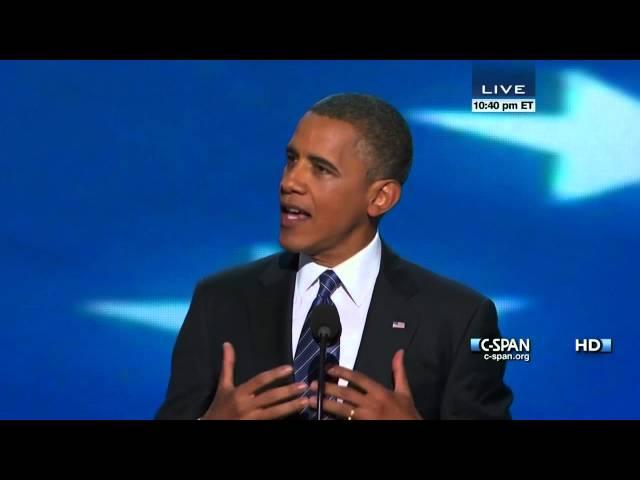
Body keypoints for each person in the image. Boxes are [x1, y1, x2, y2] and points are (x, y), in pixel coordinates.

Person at [155, 93, 513, 420]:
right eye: (291, 160)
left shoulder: (458, 320)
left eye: (321, 169)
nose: (290, 181)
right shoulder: (220, 300)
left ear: (380, 198)